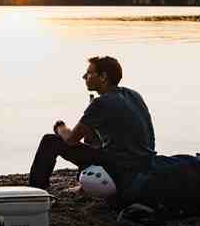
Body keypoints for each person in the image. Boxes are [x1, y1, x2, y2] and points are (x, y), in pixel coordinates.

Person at [28, 56, 156, 192]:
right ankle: (84, 186)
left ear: (103, 77)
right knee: (91, 134)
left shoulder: (101, 103)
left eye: (89, 73)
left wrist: (60, 127)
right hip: (144, 162)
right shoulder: (133, 94)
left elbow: (71, 139)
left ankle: (36, 191)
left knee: (50, 141)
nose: (84, 76)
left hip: (120, 166)